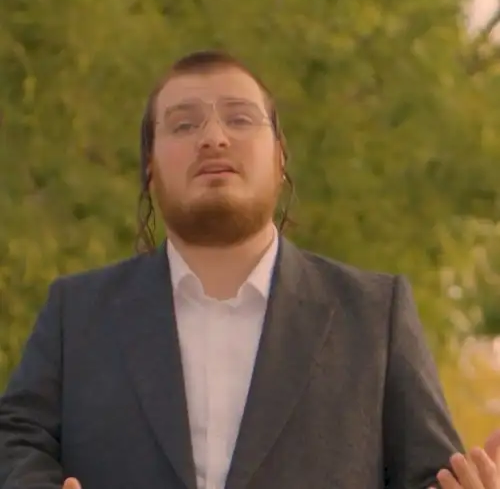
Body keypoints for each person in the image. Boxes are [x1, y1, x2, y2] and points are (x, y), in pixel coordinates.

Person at [0, 49, 495, 489]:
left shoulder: (373, 316)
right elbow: (15, 440)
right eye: (184, 125)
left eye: (239, 118)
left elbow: (429, 476)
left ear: (280, 156)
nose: (213, 138)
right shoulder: (77, 313)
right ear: (149, 165)